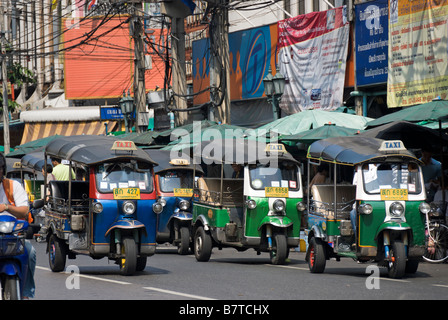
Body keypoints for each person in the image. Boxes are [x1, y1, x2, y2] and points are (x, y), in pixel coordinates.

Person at [0, 153, 35, 299]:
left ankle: (26, 294)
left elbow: (24, 210)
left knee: (30, 251)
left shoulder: (13, 186)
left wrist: (7, 207)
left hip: (11, 237)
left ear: (3, 169)